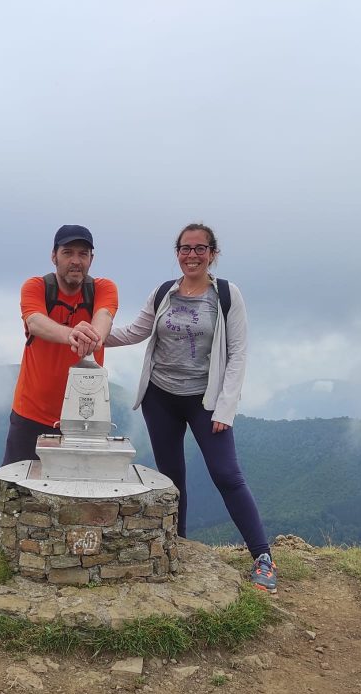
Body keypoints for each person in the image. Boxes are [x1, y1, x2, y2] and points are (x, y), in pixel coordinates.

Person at [105, 223, 277, 594]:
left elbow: (238, 353)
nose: (192, 255)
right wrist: (92, 334)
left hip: (205, 401)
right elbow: (136, 331)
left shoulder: (227, 295)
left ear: (213, 253)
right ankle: (177, 546)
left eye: (200, 248)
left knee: (227, 475)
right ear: (177, 253)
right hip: (160, 396)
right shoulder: (164, 292)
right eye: (185, 248)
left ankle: (263, 557)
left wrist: (225, 409)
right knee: (172, 477)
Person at [1, 224, 119, 466]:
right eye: (68, 252)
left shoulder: (103, 288)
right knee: (18, 492)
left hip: (85, 418)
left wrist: (91, 335)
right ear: (54, 256)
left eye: (83, 254)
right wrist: (73, 335)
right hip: (31, 414)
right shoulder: (36, 287)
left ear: (91, 259)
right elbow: (34, 322)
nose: (76, 261)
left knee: (83, 494)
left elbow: (104, 318)